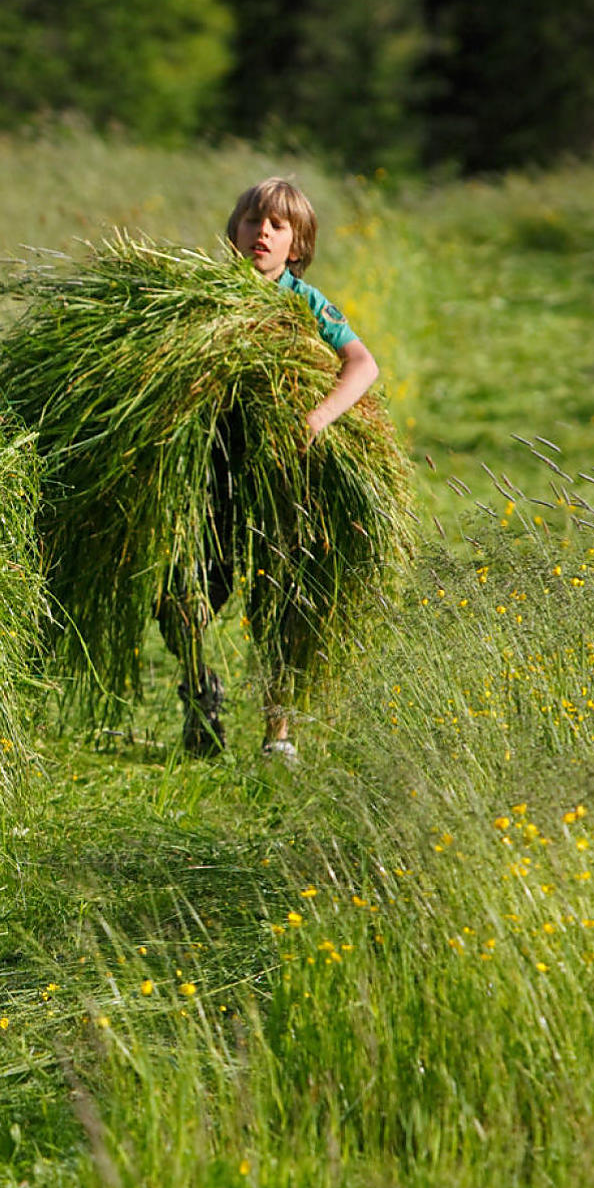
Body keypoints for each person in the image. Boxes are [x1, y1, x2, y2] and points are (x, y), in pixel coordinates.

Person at [159, 177, 380, 762]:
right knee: (179, 599)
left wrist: (316, 419)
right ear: (233, 232)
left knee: (280, 602)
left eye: (278, 226)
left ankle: (277, 734)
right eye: (253, 220)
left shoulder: (305, 303)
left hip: (283, 477)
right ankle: (200, 692)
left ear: (297, 245)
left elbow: (363, 364)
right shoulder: (202, 296)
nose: (263, 232)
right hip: (209, 475)